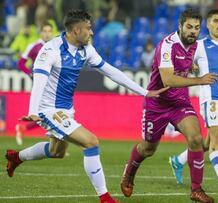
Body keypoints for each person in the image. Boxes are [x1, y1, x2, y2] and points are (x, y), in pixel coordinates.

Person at [5, 10, 167, 203]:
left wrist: (144, 92)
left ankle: (17, 157)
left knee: (56, 151)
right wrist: (33, 112)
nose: (91, 33)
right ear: (76, 30)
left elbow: (111, 71)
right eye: (88, 29)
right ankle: (105, 197)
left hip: (66, 109)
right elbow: (39, 80)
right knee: (91, 141)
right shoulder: (51, 50)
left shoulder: (86, 49)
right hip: (48, 109)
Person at [120, 8, 218, 203]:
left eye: (197, 28)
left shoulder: (195, 46)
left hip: (179, 102)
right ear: (180, 26)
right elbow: (168, 79)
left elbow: (187, 64)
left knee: (196, 138)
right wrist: (199, 80)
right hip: (157, 103)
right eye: (189, 27)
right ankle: (129, 173)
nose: (193, 31)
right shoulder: (167, 45)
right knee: (148, 149)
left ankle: (196, 190)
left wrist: (192, 67)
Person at [168, 9, 218, 195]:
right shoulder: (200, 46)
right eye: (215, 21)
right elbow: (183, 62)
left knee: (208, 143)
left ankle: (178, 161)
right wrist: (192, 65)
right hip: (210, 98)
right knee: (217, 142)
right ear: (209, 25)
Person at [15, 22, 54, 146]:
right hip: (40, 83)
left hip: (52, 84)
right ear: (40, 32)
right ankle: (55, 142)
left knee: (50, 113)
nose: (47, 34)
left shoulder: (54, 46)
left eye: (49, 31)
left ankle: (23, 129)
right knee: (50, 113)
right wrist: (30, 73)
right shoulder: (34, 46)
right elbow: (21, 63)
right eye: (45, 31)